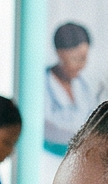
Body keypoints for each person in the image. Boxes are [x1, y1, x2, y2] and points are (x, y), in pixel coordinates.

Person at [43, 21, 100, 151]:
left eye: (84, 59)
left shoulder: (84, 86)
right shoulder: (42, 85)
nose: (81, 65)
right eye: (76, 59)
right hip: (49, 159)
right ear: (59, 54)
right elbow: (48, 129)